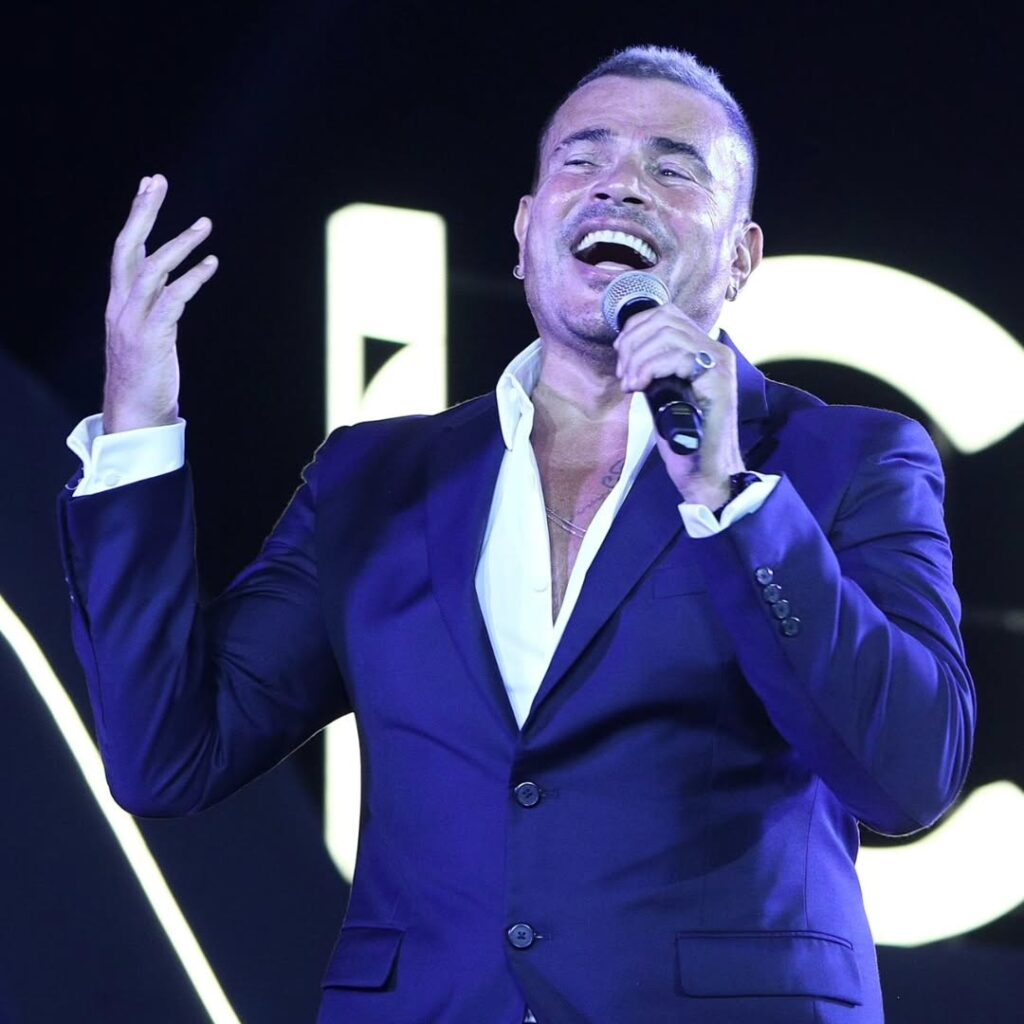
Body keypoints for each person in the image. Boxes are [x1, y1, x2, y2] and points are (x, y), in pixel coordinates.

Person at [59, 45, 975, 1024]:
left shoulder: (849, 459)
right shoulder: (375, 479)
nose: (620, 185)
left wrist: (728, 496)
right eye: (582, 159)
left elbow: (908, 775)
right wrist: (138, 421)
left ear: (742, 256)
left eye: (672, 169)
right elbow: (169, 755)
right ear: (525, 230)